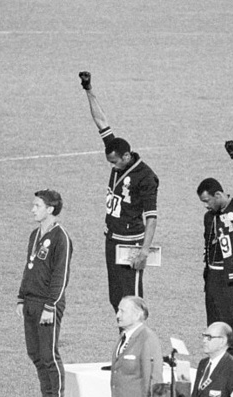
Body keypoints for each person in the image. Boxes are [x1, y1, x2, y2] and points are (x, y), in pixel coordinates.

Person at [79, 71, 160, 313]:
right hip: (111, 239)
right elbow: (101, 121)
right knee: (116, 300)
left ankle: (138, 347)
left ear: (126, 156)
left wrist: (144, 251)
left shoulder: (146, 177)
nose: (112, 167)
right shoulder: (116, 151)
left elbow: (152, 217)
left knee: (132, 301)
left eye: (115, 163)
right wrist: (88, 88)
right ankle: (125, 343)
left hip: (130, 244)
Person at [17, 189, 73, 397]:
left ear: (50, 209)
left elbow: (61, 276)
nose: (32, 209)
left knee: (49, 353)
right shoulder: (35, 234)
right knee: (35, 353)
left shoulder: (61, 238)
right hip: (30, 301)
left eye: (37, 206)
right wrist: (21, 297)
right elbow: (28, 267)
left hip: (47, 305)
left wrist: (51, 306)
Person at [197, 140, 233, 365]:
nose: (205, 206)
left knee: (232, 332)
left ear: (218, 194)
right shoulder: (209, 217)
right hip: (212, 278)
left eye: (207, 200)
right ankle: (218, 377)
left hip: (232, 279)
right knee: (214, 330)